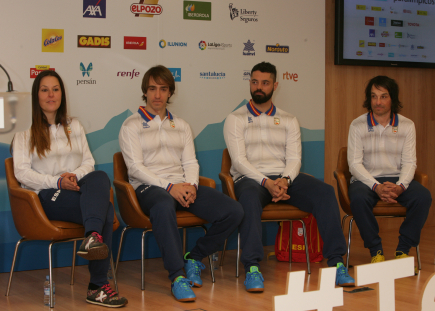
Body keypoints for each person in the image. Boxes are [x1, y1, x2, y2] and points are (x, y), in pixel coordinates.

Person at [223, 61, 355, 292]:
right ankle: (252, 267)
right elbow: (239, 161)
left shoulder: (288, 119)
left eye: (265, 83)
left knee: (325, 192)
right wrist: (267, 182)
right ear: (250, 83)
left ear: (275, 85)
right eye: (255, 82)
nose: (259, 87)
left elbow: (294, 159)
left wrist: (284, 181)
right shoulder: (235, 118)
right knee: (250, 199)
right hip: (251, 179)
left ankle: (336, 262)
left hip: (283, 179)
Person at [118, 65, 244, 302]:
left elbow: (190, 161)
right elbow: (135, 168)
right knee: (164, 205)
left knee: (234, 211)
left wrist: (192, 186)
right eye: (153, 89)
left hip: (182, 186)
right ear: (144, 91)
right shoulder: (130, 126)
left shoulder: (182, 125)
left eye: (163, 89)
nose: (157, 95)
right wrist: (169, 187)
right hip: (148, 189)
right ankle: (177, 276)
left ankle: (194, 257)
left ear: (170, 93)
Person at [12, 70, 128, 308]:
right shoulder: (25, 131)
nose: (51, 95)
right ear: (37, 95)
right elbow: (22, 173)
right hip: (46, 196)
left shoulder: (74, 125)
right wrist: (57, 182)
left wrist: (73, 176)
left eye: (55, 89)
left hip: (75, 188)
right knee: (105, 210)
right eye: (45, 90)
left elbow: (88, 161)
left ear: (62, 94)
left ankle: (91, 239)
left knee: (98, 175)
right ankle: (97, 285)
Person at [347, 75, 431, 264]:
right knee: (358, 198)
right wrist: (376, 187)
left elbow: (410, 162)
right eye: (374, 96)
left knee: (423, 197)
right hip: (366, 181)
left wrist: (400, 186)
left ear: (392, 98)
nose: (378, 102)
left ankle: (403, 250)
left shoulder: (407, 125)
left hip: (397, 179)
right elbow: (354, 164)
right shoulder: (357, 125)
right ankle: (376, 250)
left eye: (383, 96)